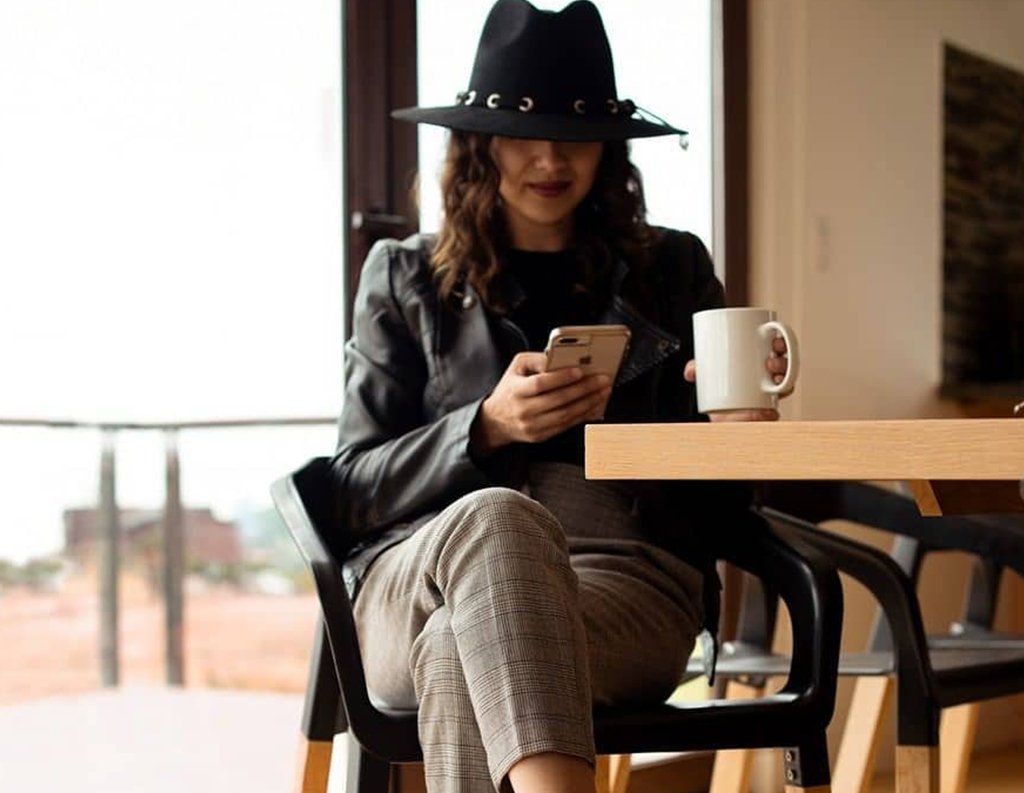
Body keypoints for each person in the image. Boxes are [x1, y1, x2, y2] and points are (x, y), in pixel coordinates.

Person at [329, 2, 790, 792]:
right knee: (494, 522)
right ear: (479, 145)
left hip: (627, 579)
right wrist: (483, 429)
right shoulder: (403, 276)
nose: (550, 159)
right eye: (522, 134)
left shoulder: (674, 267)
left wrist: (736, 432)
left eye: (574, 135)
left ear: (608, 149)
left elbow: (726, 498)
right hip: (419, 574)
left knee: (459, 646)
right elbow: (348, 488)